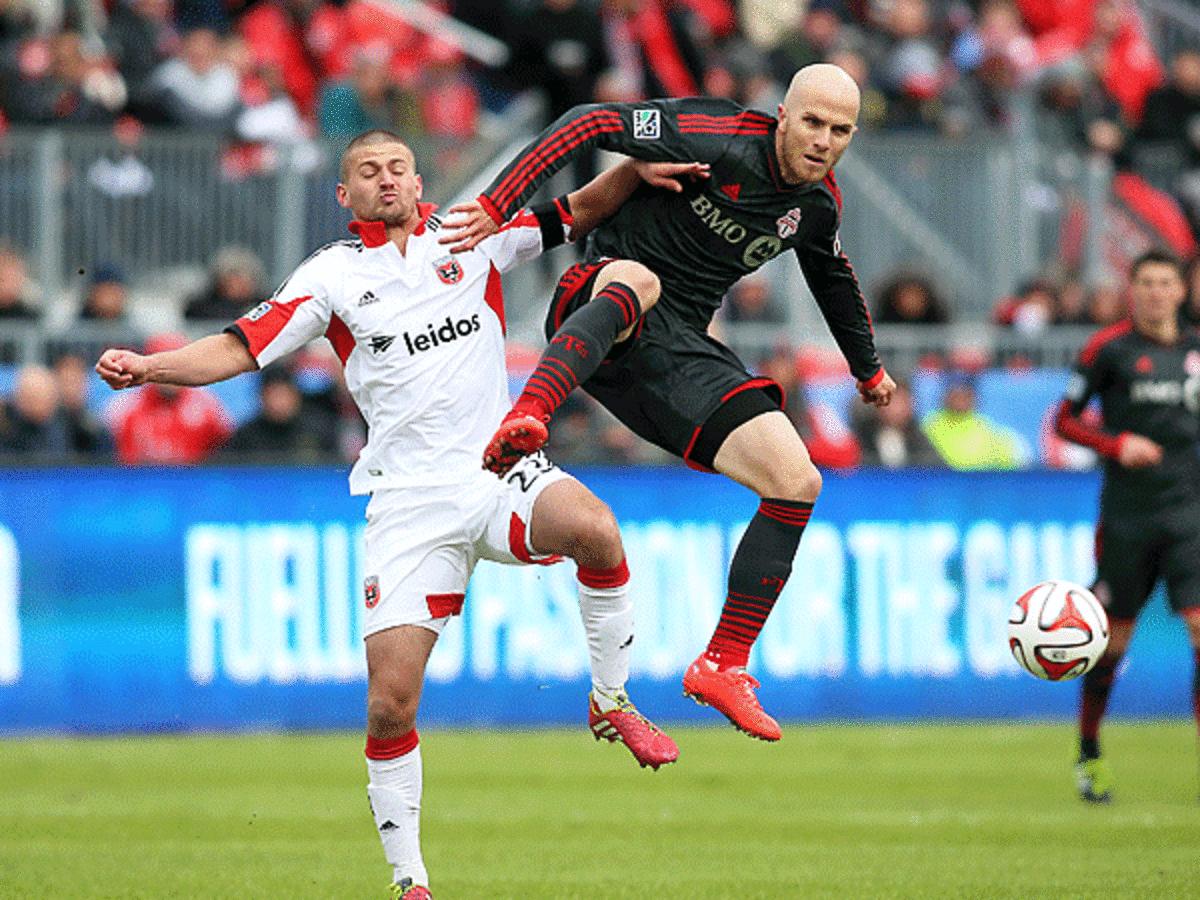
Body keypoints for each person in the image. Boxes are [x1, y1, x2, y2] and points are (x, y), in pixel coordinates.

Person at [96, 131, 697, 899]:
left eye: (397, 169)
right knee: (389, 704)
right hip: (407, 503)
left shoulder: (471, 233)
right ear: (344, 196)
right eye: (367, 173)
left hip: (496, 469)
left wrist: (631, 171)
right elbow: (242, 348)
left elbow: (572, 213)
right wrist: (152, 366)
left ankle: (612, 701)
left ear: (419, 180)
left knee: (597, 530)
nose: (386, 180)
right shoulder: (333, 276)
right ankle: (410, 881)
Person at [440, 63, 896, 742]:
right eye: (812, 122)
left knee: (796, 480)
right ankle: (527, 416)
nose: (824, 139)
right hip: (601, 301)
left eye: (841, 130)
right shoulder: (715, 135)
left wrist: (869, 372)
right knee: (640, 279)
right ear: (782, 114)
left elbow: (832, 276)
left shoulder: (818, 205)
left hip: (679, 350)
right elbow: (591, 121)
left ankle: (722, 663)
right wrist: (501, 201)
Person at [1053, 248, 1200, 804]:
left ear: (1181, 292)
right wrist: (1116, 443)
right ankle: (1089, 752)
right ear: (1131, 290)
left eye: (1165, 283)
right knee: (1111, 645)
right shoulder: (1108, 350)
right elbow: (1063, 420)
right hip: (1127, 519)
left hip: (1190, 515)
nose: (1155, 293)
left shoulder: (1195, 351)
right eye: (1145, 283)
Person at [108, 332, 234, 465]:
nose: (168, 376)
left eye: (176, 366)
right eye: (161, 368)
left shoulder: (208, 407)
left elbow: (223, 456)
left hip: (195, 482)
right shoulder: (124, 408)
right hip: (141, 482)